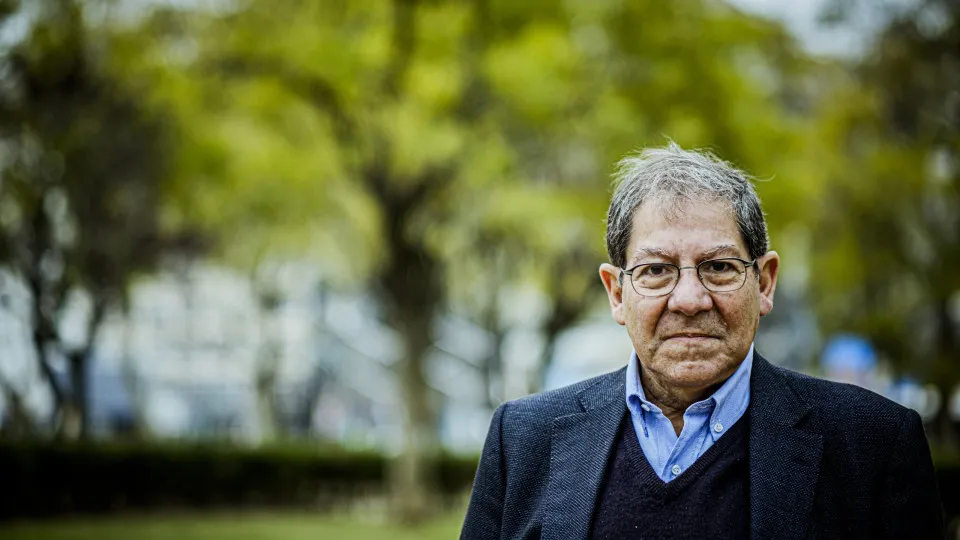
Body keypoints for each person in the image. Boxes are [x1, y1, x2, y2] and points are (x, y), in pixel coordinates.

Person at [460, 143, 943, 540]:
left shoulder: (874, 446)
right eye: (656, 270)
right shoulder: (523, 440)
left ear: (764, 283)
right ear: (616, 293)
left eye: (718, 267)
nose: (689, 299)